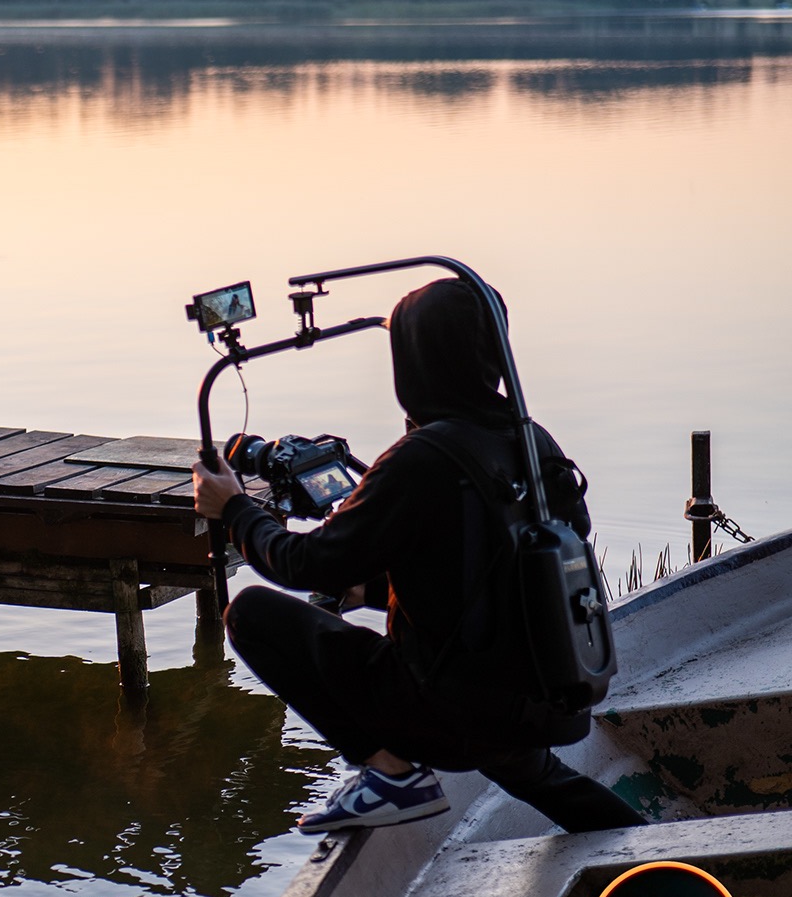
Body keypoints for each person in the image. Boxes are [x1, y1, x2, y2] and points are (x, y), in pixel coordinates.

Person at [190, 278, 645, 835]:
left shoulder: (420, 458)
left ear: (413, 361)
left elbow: (303, 564)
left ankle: (392, 773)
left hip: (451, 714)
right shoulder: (533, 442)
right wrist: (375, 590)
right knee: (538, 775)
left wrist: (234, 508)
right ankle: (656, 849)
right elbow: (501, 572)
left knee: (252, 614)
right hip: (545, 703)